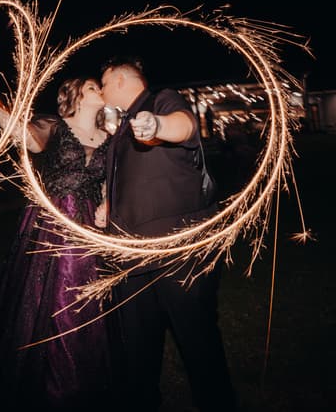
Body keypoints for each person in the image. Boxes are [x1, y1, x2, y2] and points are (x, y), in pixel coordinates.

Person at [99, 55, 238, 411]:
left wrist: (156, 125)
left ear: (119, 79)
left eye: (102, 84)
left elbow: (184, 126)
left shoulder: (160, 100)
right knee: (138, 346)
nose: (100, 91)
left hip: (178, 250)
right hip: (131, 256)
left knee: (197, 339)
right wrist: (108, 207)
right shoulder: (119, 128)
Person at [0, 77, 113, 411]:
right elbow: (24, 137)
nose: (100, 91)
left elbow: (107, 182)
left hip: (92, 229)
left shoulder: (110, 137)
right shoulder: (54, 125)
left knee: (88, 301)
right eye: (93, 87)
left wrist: (106, 205)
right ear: (75, 94)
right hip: (55, 224)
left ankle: (87, 380)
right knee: (53, 299)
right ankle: (53, 384)